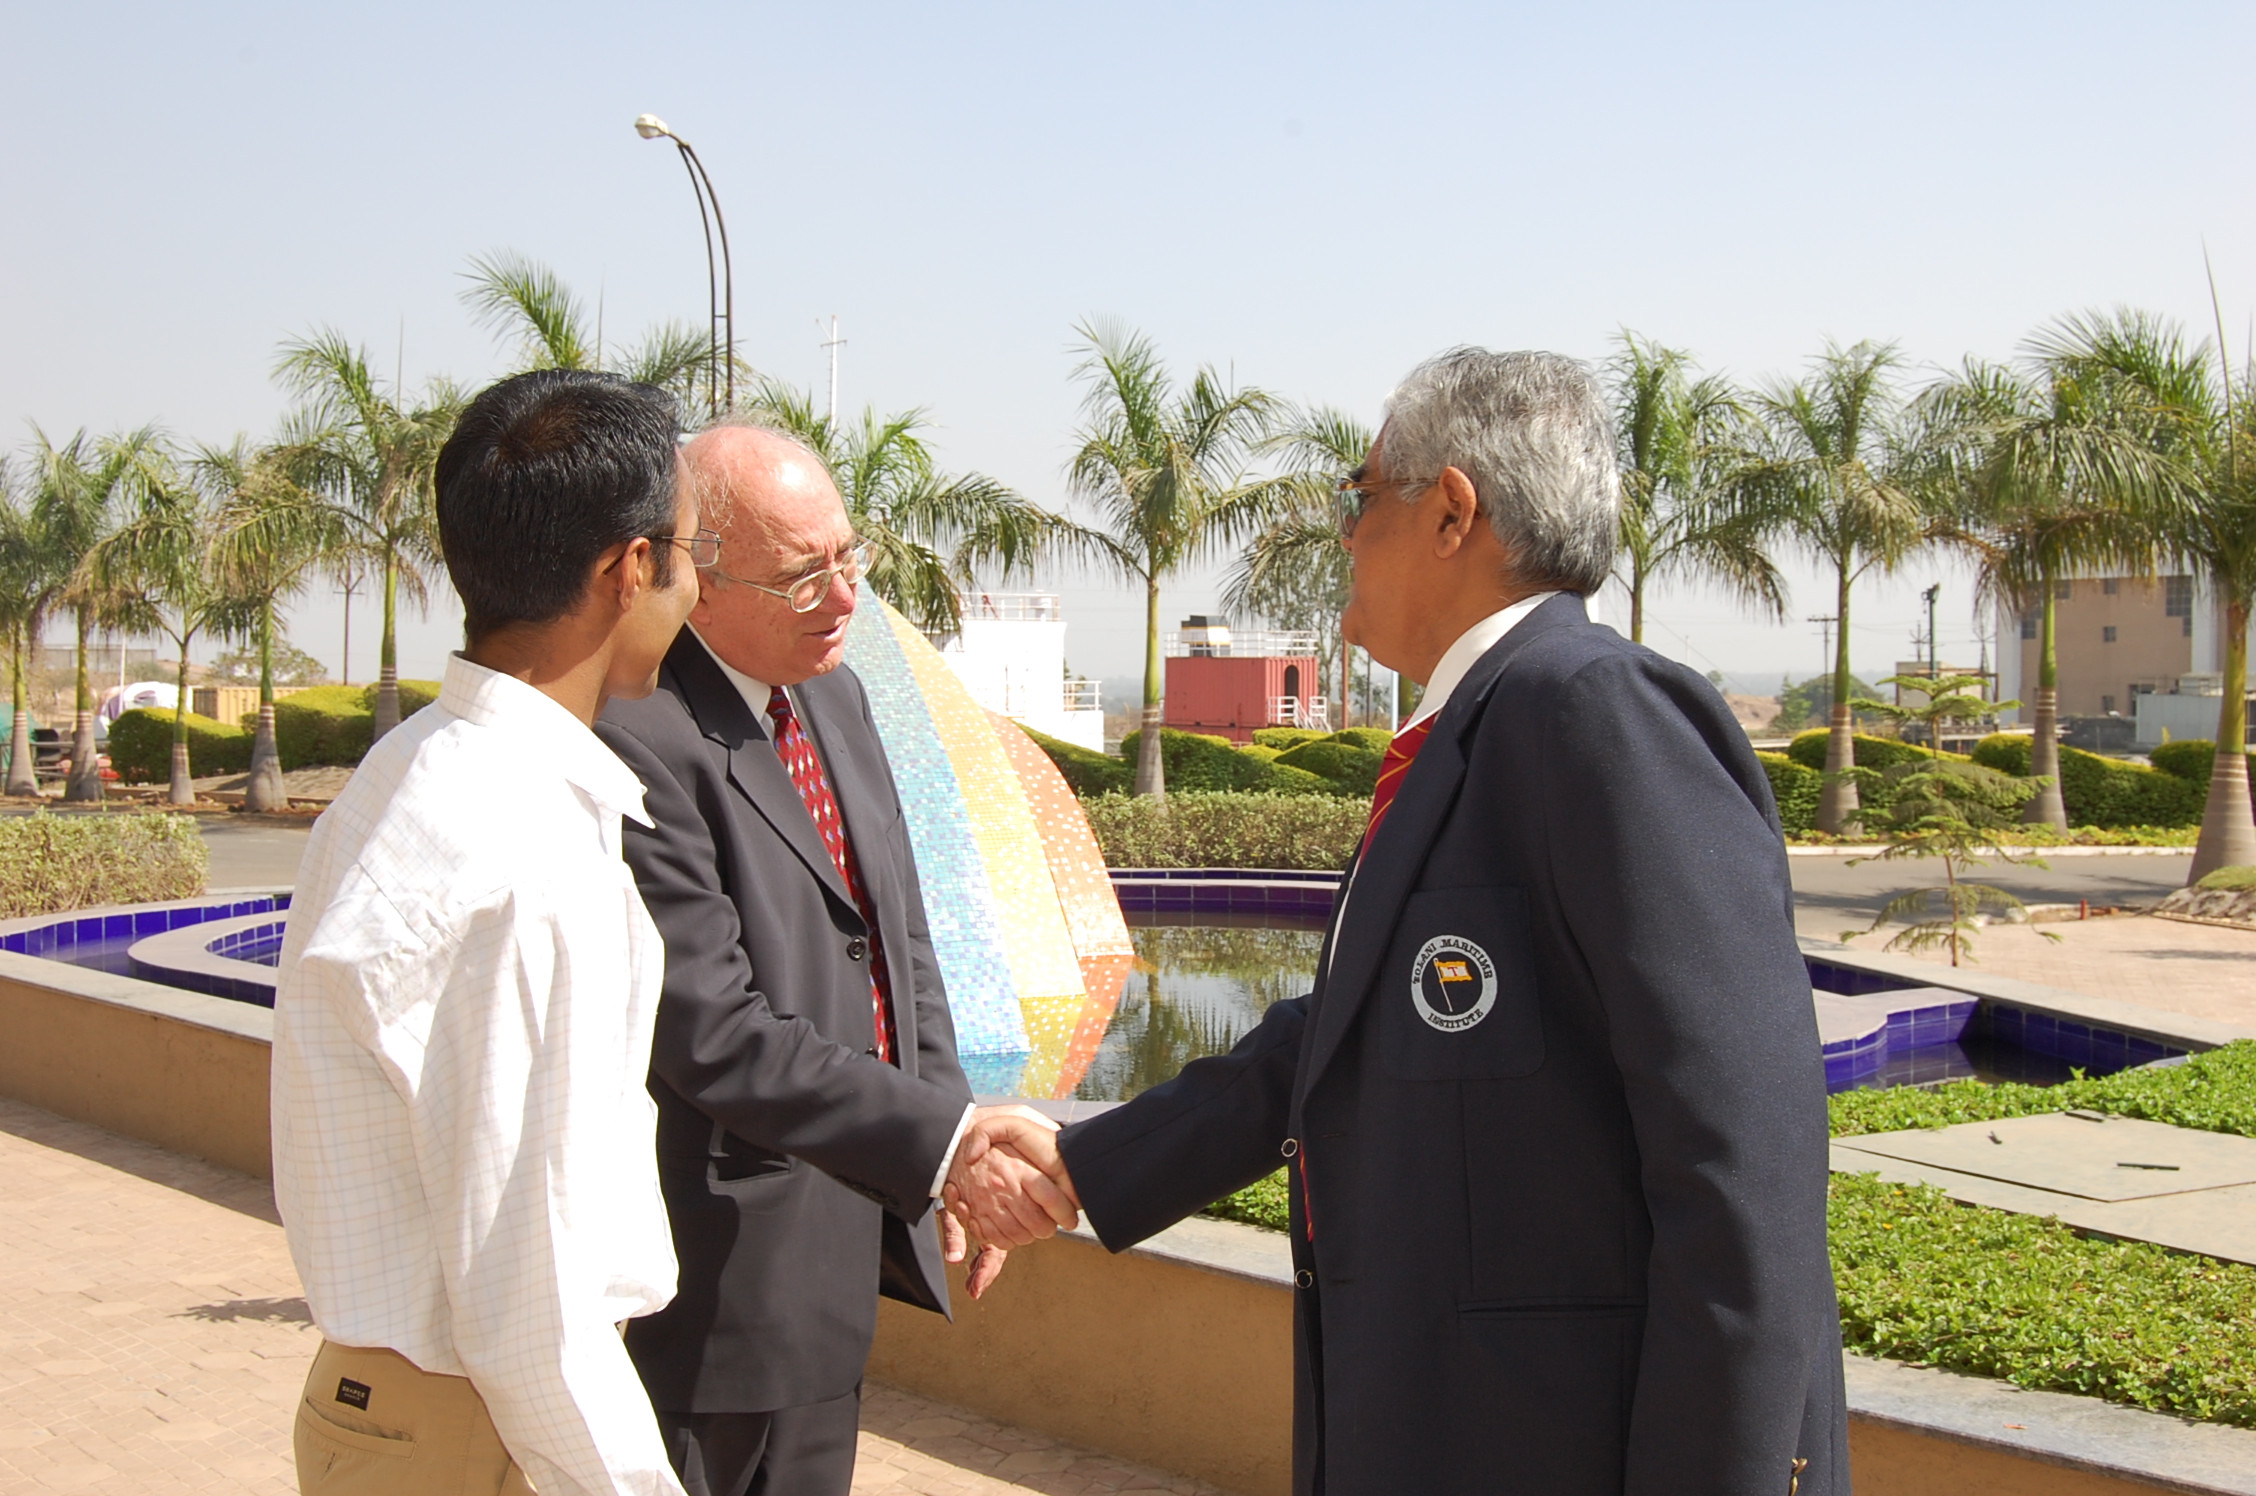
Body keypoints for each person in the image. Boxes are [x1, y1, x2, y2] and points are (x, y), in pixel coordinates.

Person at [981, 348, 1848, 1494]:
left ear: (1451, 511)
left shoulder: (1594, 710)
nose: (1345, 534)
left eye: (1361, 495)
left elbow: (1745, 1159)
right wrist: (1090, 1159)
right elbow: (1339, 1034)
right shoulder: (1476, 734)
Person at [595, 422, 1072, 1496]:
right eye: (803, 576)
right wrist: (946, 1147)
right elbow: (714, 1030)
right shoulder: (640, 735)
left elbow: (898, 939)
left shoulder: (833, 691)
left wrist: (945, 1142)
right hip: (717, 1283)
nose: (846, 596)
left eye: (850, 556)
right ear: (697, 580)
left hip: (839, 1255)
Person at [271, 370, 705, 1496]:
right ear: (629, 568)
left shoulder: (409, 769)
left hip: (396, 1411)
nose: (693, 586)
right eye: (688, 553)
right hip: (482, 1432)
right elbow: (529, 1308)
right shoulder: (526, 851)